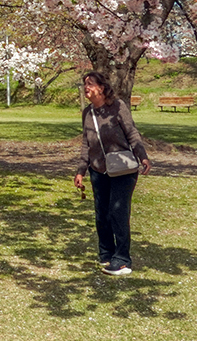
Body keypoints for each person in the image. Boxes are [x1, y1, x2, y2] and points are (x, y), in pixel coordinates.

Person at [74, 70, 151, 276]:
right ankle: (106, 254)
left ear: (101, 87)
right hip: (99, 169)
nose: (86, 88)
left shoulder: (117, 107)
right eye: (84, 85)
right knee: (102, 214)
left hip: (123, 169)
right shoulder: (87, 113)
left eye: (90, 84)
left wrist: (142, 156)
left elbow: (132, 132)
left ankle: (123, 260)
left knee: (118, 212)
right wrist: (81, 170)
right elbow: (86, 144)